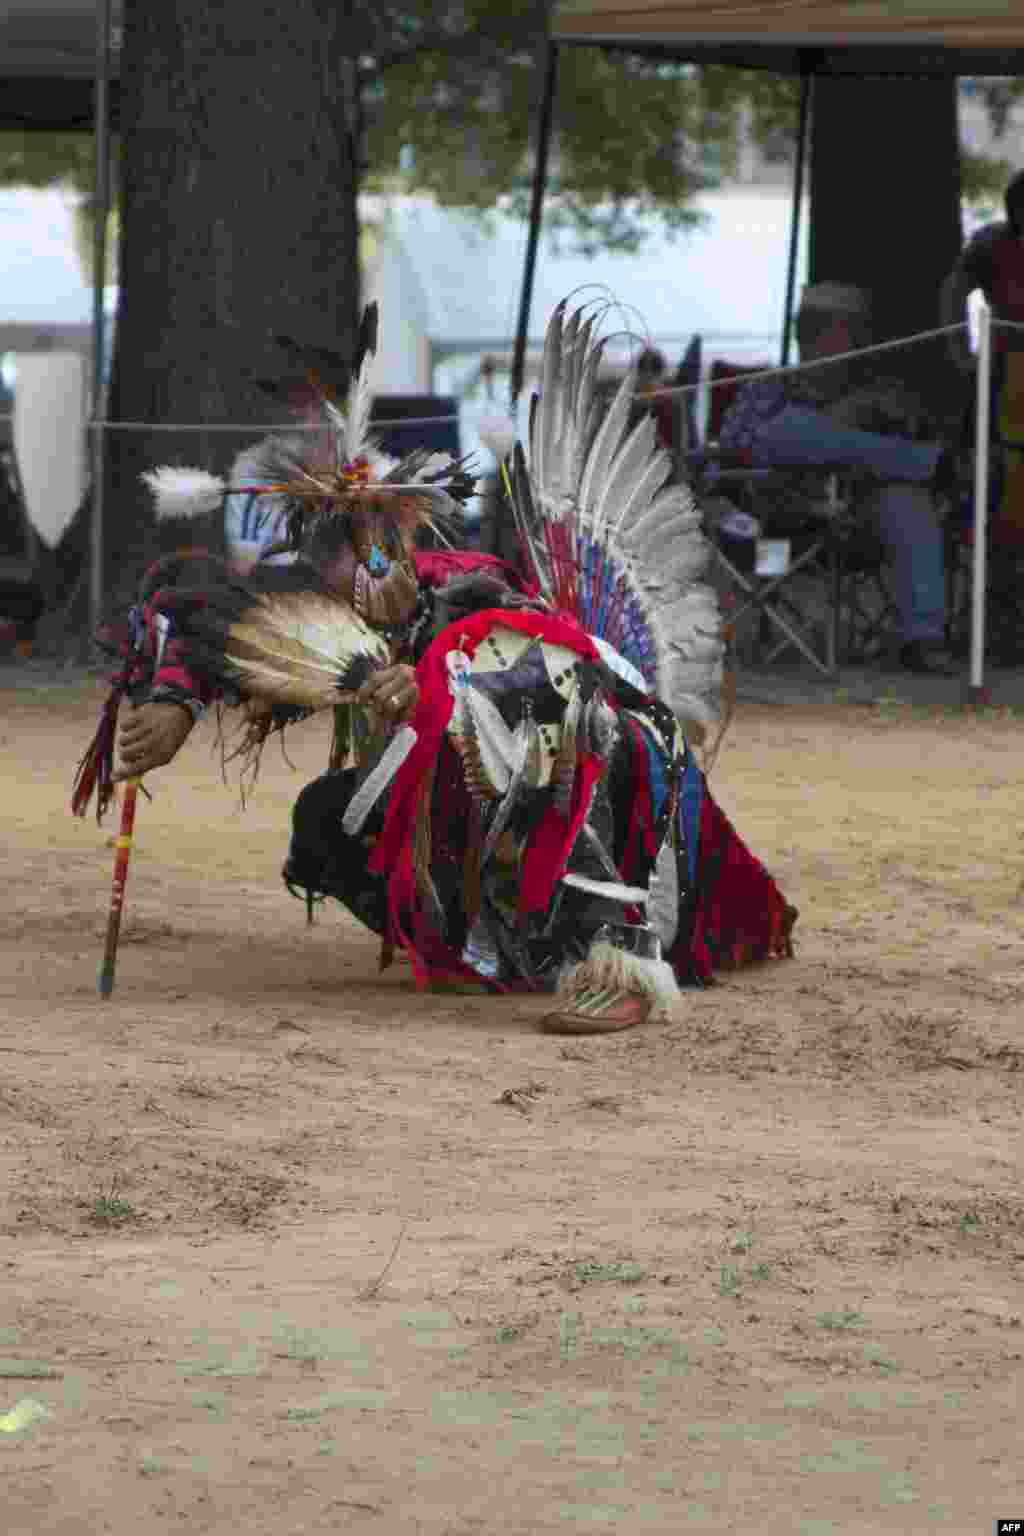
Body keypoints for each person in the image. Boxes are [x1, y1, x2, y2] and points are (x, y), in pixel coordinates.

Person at [74, 299, 796, 1035]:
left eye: (382, 550)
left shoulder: (477, 588)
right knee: (328, 820)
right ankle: (500, 951)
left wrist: (435, 691)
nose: (369, 579)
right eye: (345, 568)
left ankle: (619, 955)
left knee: (506, 688)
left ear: (405, 534)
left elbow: (567, 686)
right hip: (493, 822)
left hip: (625, 808)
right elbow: (199, 617)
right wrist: (172, 702)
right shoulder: (318, 604)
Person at [719, 282, 957, 676]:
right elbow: (730, 450)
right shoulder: (771, 386)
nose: (819, 339)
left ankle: (922, 638)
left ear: (855, 337)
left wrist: (868, 423)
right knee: (790, 429)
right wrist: (831, 428)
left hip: (856, 524)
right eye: (812, 328)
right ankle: (931, 464)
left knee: (904, 498)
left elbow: (920, 426)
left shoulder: (882, 393)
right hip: (776, 521)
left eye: (831, 329)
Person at [940, 169, 1024, 545]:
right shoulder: (992, 244)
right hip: (1001, 375)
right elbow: (953, 290)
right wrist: (960, 352)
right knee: (988, 469)